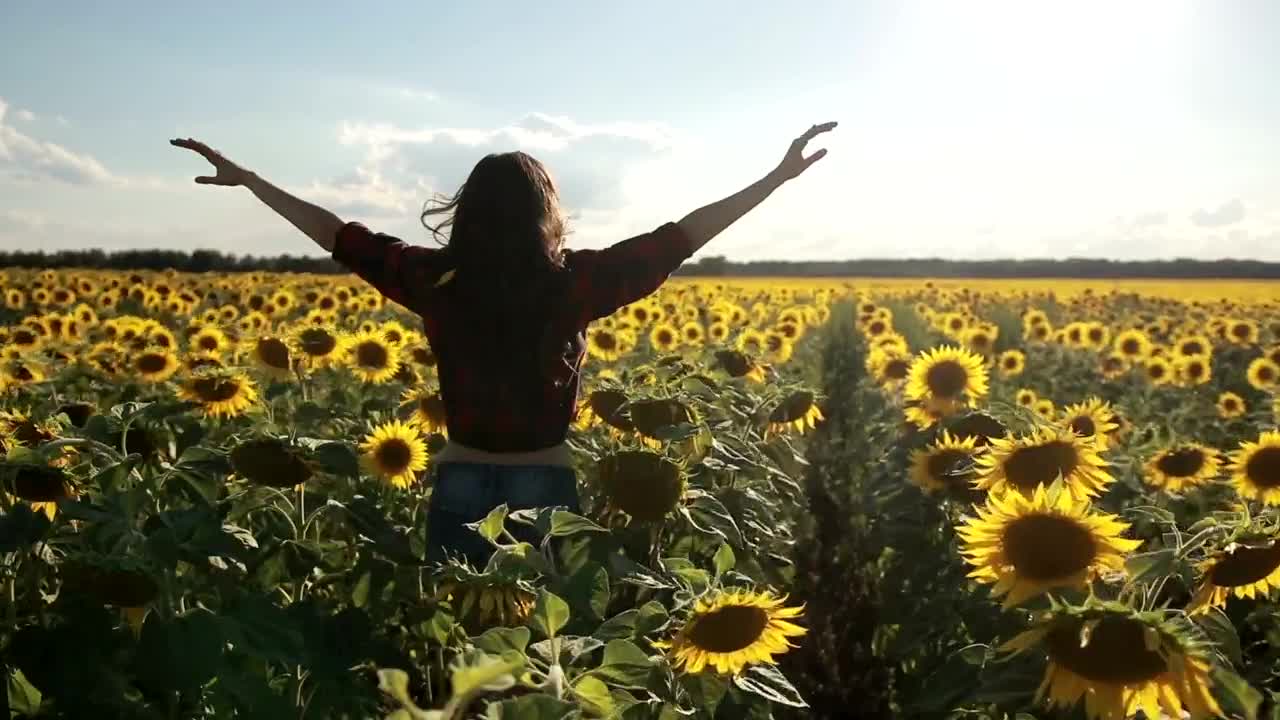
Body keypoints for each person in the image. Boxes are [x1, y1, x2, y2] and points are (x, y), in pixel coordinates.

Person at [172, 120, 836, 567]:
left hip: (460, 478)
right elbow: (681, 238)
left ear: (468, 212)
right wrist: (774, 179)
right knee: (538, 655)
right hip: (546, 480)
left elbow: (338, 235)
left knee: (465, 656)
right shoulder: (574, 285)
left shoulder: (437, 280)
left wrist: (251, 180)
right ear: (546, 214)